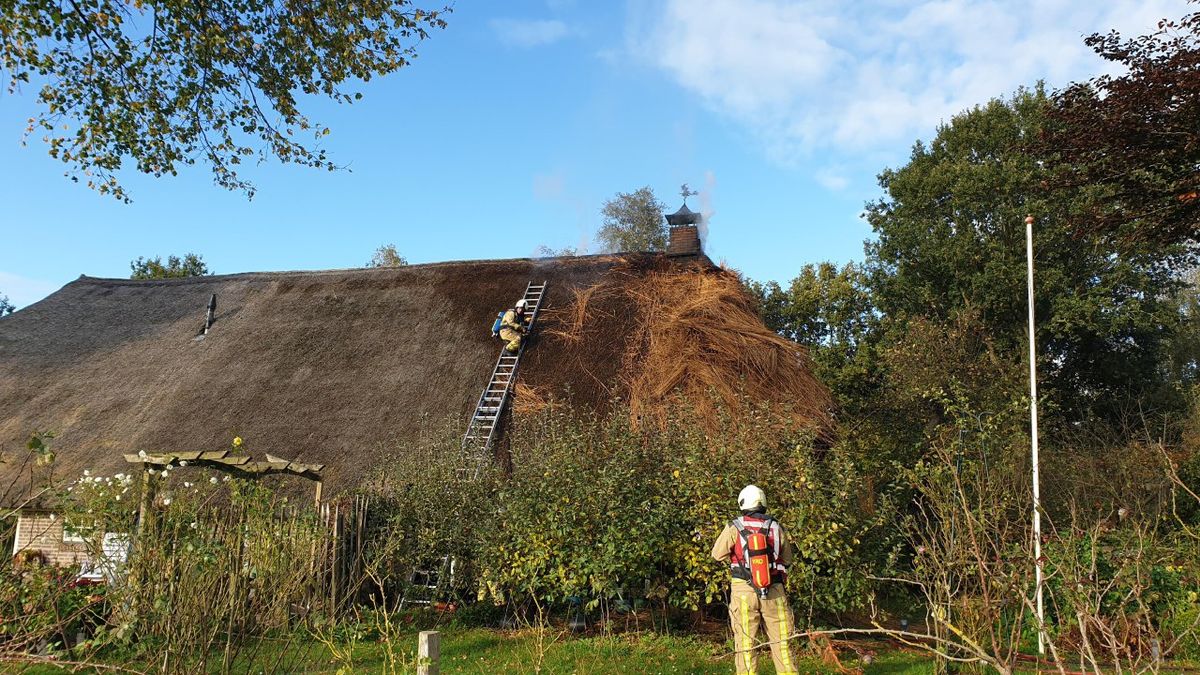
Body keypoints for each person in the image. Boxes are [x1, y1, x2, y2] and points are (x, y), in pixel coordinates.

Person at [711, 485, 797, 675]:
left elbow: (717, 554)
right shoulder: (776, 526)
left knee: (745, 644)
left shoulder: (734, 526)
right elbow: (788, 559)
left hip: (743, 593)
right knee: (783, 644)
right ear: (763, 503)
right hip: (774, 591)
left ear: (742, 503)